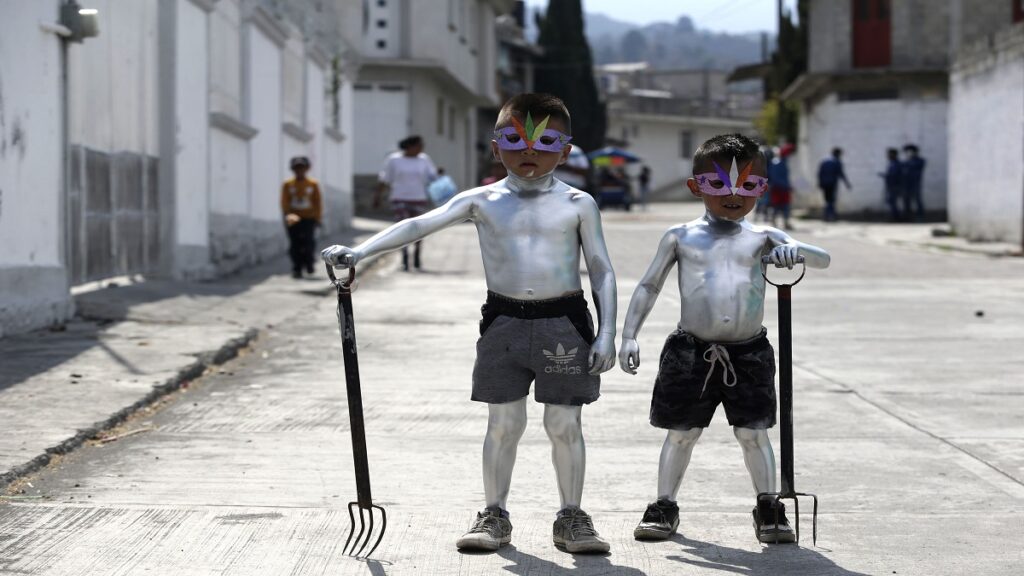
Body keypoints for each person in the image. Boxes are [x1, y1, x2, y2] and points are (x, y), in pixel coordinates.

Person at [322, 93, 617, 554]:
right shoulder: (482, 201)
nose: (529, 152)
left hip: (564, 322)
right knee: (503, 422)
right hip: (504, 321)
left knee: (565, 424)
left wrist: (607, 332)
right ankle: (494, 514)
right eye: (514, 140)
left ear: (565, 150)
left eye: (545, 142)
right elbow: (421, 223)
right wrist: (358, 252)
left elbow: (600, 268)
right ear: (496, 147)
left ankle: (571, 516)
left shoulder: (578, 203)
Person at [617, 133, 830, 544]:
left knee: (753, 433)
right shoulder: (680, 236)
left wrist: (795, 248)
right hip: (690, 351)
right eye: (719, 184)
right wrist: (629, 335)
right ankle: (664, 505)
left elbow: (822, 260)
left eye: (747, 185)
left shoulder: (764, 236)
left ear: (762, 189)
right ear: (696, 187)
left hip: (749, 353)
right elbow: (648, 287)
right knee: (681, 431)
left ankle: (769, 506)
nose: (733, 195)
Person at [376, 135, 437, 271]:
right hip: (399, 198)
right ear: (410, 146)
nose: (421, 149)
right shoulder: (394, 160)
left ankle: (416, 256)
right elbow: (385, 178)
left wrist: (438, 174)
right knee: (403, 230)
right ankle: (404, 257)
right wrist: (377, 197)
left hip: (418, 198)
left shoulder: (424, 159)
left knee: (419, 230)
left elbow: (432, 176)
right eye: (419, 146)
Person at [280, 156, 322, 278]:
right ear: (293, 169)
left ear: (307, 169)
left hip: (309, 217)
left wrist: (317, 218)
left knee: (308, 242)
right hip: (293, 217)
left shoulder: (312, 184)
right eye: (297, 168)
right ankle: (297, 267)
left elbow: (317, 202)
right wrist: (288, 215)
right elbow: (285, 201)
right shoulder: (288, 185)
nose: (300, 171)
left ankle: (309, 264)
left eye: (302, 168)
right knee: (295, 243)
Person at [817, 147, 851, 222]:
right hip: (832, 183)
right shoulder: (837, 162)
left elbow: (820, 173)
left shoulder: (824, 161)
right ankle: (831, 215)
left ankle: (827, 215)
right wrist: (847, 184)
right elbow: (841, 174)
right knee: (831, 200)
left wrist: (819, 183)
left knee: (827, 200)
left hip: (824, 183)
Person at [768, 143, 795, 229]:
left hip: (783, 188)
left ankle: (785, 222)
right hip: (778, 188)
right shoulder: (777, 163)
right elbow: (775, 177)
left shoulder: (782, 162)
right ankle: (774, 221)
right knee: (777, 206)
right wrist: (786, 186)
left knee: (785, 206)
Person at [901, 144, 926, 221]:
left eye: (910, 152)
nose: (908, 154)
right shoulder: (906, 162)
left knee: (917, 200)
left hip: (915, 184)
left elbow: (914, 167)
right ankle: (907, 217)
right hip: (906, 184)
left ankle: (920, 217)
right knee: (906, 201)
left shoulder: (920, 161)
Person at [880, 148, 905, 222]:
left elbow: (894, 175)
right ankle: (896, 216)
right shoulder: (892, 163)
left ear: (893, 154)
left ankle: (896, 217)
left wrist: (886, 176)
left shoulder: (896, 163)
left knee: (892, 201)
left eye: (889, 154)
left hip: (895, 186)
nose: (887, 156)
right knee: (891, 201)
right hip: (892, 185)